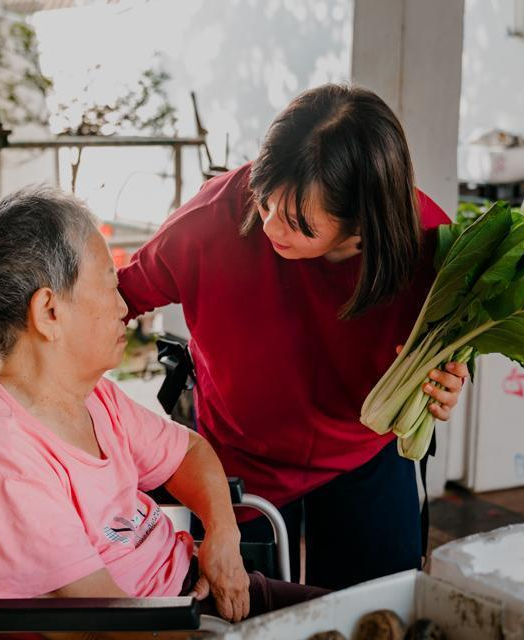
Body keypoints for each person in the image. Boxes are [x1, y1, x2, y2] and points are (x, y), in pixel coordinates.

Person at [0, 187, 326, 640]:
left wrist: (221, 531)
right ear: (50, 312)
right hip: (153, 635)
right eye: (110, 286)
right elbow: (105, 627)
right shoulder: (0, 458)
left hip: (190, 594)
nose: (124, 309)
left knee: (379, 626)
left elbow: (187, 452)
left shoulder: (89, 395)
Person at [118, 84, 470, 590]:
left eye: (299, 223)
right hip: (236, 460)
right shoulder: (216, 215)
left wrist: (446, 382)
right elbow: (117, 299)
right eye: (265, 202)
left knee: (372, 619)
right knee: (237, 626)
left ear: (362, 225)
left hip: (365, 455)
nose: (269, 226)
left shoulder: (429, 246)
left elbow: (449, 352)